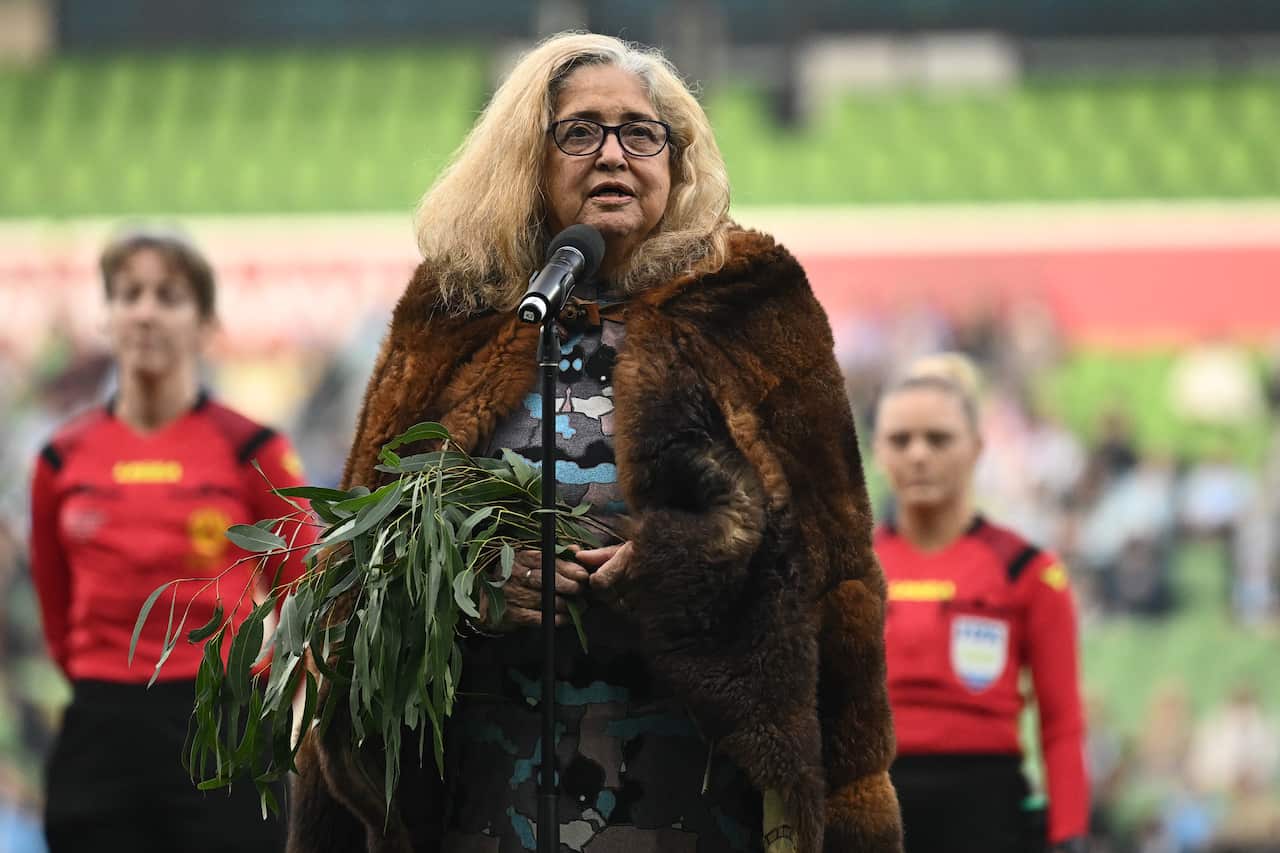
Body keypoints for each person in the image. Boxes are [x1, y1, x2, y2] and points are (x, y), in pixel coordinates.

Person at [288, 32, 902, 853]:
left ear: (676, 161)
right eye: (580, 131)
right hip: (485, 799)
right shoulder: (450, 314)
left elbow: (831, 571)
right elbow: (358, 579)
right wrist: (469, 585)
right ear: (526, 161)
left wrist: (678, 562)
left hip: (698, 803)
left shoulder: (755, 305)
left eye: (640, 132)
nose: (613, 153)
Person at [28, 229, 315, 852]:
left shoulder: (251, 449)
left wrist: (269, 696)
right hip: (100, 729)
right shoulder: (59, 459)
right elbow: (57, 612)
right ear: (107, 317)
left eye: (169, 294)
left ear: (205, 320)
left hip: (222, 720)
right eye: (129, 294)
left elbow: (306, 591)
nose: (147, 311)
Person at [872, 353, 1089, 853]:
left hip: (987, 811)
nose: (919, 454)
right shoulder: (843, 572)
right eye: (901, 440)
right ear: (878, 452)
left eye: (939, 438)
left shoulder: (1027, 571)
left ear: (976, 448)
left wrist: (1071, 833)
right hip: (871, 804)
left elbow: (1062, 723)